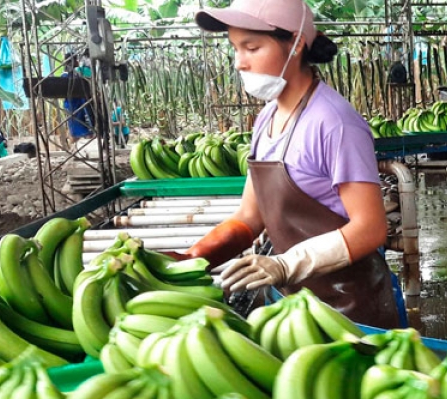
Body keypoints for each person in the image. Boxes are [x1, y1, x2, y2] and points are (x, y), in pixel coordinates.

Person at [166, 0, 399, 328]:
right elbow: (249, 217)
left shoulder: (334, 123)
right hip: (294, 305)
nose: (239, 63)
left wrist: (288, 264)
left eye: (252, 47)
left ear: (296, 43)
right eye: (235, 48)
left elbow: (370, 228)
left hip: (349, 310)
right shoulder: (267, 119)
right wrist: (192, 258)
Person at [62, 52, 94, 141]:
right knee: (82, 124)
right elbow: (91, 76)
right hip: (78, 102)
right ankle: (85, 137)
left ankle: (80, 138)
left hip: (73, 103)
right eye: (76, 60)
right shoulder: (77, 72)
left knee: (76, 124)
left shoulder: (64, 75)